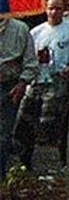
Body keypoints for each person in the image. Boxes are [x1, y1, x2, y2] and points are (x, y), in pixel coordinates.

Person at [14, 0, 69, 170]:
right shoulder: (36, 32)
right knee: (24, 121)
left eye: (58, 9)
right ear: (46, 9)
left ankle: (58, 163)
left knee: (51, 123)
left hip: (58, 80)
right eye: (51, 8)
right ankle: (24, 162)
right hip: (37, 80)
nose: (54, 12)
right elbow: (26, 56)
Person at [0, 12, 38, 173]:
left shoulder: (20, 29)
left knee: (3, 134)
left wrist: (22, 83)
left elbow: (30, 61)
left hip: (9, 87)